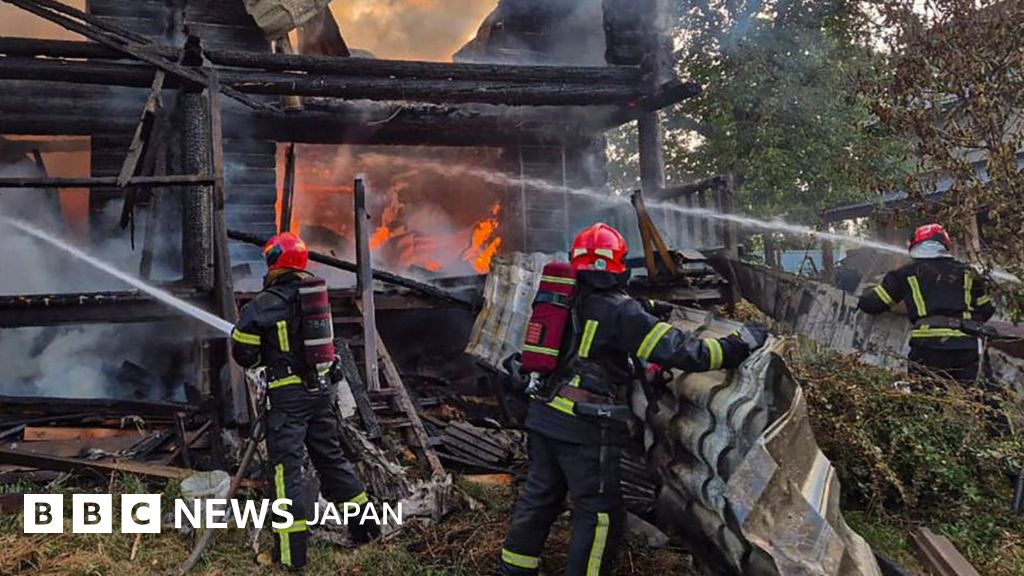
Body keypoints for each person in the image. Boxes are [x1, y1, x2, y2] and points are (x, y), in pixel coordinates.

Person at [499, 223, 769, 576]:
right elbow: (690, 353)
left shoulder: (562, 295)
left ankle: (514, 569)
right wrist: (741, 341)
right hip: (583, 427)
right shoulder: (622, 313)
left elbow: (592, 329)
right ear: (618, 265)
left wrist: (645, 308)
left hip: (544, 414)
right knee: (598, 514)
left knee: (540, 497)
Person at [230, 232, 377, 569]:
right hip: (321, 394)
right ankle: (367, 530)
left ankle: (291, 554)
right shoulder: (315, 296)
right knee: (333, 461)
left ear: (274, 262)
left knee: (286, 473)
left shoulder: (263, 304)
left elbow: (245, 355)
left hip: (289, 400)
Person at [857, 223, 995, 383]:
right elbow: (986, 310)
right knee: (973, 400)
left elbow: (871, 304)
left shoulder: (905, 274)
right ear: (945, 245)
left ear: (915, 245)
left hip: (928, 347)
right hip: (966, 346)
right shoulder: (968, 272)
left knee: (929, 398)